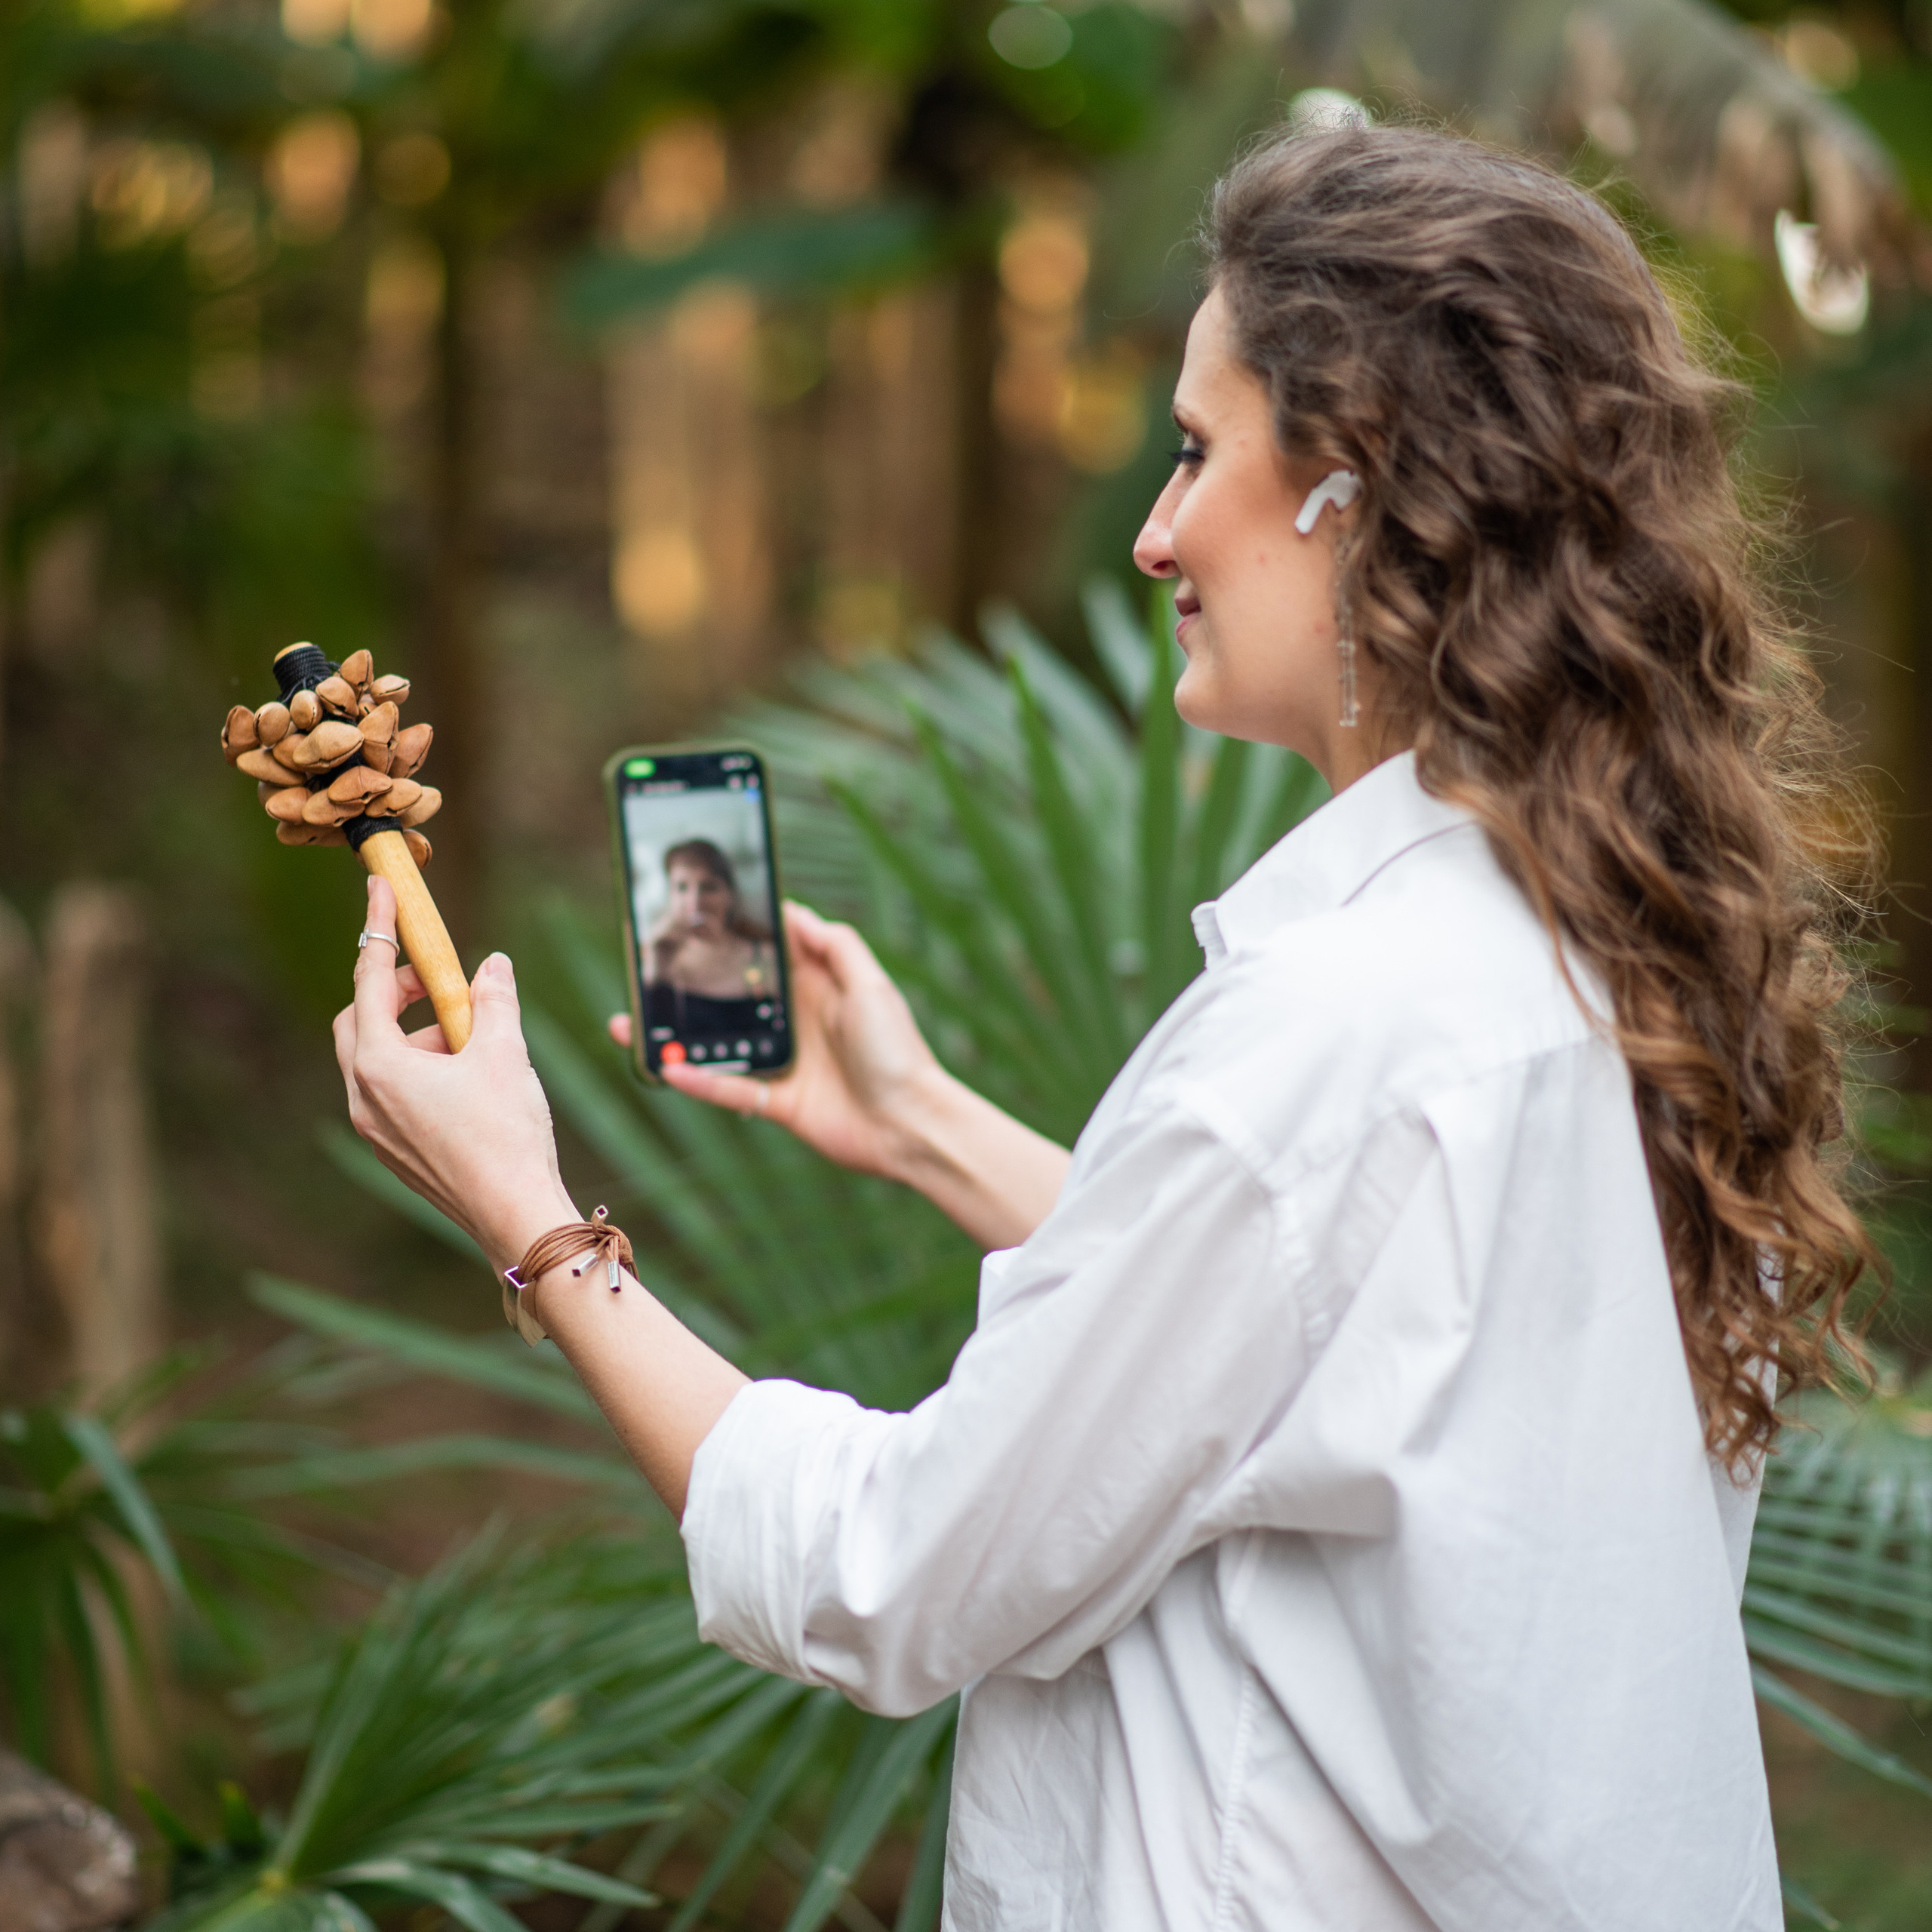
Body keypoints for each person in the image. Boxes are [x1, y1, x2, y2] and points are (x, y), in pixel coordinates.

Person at [334, 124, 1875, 1930]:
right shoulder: (1601, 951)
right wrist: (922, 1122)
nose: (1151, 532)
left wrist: (528, 1215)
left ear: (1357, 483)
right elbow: (1339, 1342)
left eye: (1194, 448)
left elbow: (889, 1571)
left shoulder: (1334, 1021)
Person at [641, 838, 779, 1037]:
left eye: (708, 887)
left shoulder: (765, 955)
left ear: (730, 895)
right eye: (681, 888)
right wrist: (658, 966)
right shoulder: (655, 956)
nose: (695, 902)